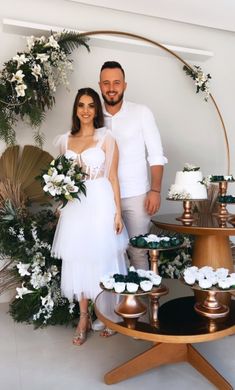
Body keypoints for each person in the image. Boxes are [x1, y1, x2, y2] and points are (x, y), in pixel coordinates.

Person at [51, 87, 128, 345]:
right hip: (76, 206)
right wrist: (60, 203)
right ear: (76, 109)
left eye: (91, 105)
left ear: (97, 110)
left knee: (102, 258)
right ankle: (83, 317)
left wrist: (118, 213)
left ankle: (105, 314)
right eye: (81, 105)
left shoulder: (107, 137)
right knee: (79, 258)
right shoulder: (64, 141)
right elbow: (60, 179)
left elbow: (113, 177)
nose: (85, 110)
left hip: (101, 201)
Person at [99, 61, 168, 270]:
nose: (112, 88)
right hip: (103, 197)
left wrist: (155, 190)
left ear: (125, 85)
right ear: (100, 85)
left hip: (137, 196)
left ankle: (144, 304)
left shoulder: (141, 112)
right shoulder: (91, 115)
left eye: (117, 83)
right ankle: (113, 303)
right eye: (106, 83)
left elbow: (156, 155)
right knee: (108, 254)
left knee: (138, 253)